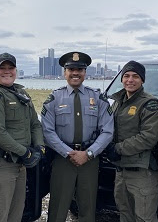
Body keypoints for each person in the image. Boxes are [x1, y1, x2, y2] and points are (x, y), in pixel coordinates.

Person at [41, 51, 114, 222]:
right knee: (58, 208)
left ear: (85, 73)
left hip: (89, 159)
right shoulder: (54, 98)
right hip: (62, 159)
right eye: (71, 69)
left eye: (80, 69)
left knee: (88, 208)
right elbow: (47, 131)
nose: (75, 73)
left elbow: (108, 130)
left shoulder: (97, 97)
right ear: (64, 72)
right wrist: (68, 153)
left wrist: (88, 154)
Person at [0, 52, 44, 222]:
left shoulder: (21, 93)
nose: (7, 71)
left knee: (15, 215)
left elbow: (34, 124)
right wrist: (26, 153)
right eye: (2, 68)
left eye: (10, 68)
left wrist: (39, 147)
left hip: (19, 165)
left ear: (16, 70)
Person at [106, 61, 158, 222]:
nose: (130, 80)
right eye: (126, 76)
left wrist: (117, 149)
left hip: (142, 172)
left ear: (142, 80)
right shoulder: (118, 102)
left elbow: (148, 137)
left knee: (144, 217)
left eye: (135, 76)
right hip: (121, 170)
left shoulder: (150, 103)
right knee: (125, 213)